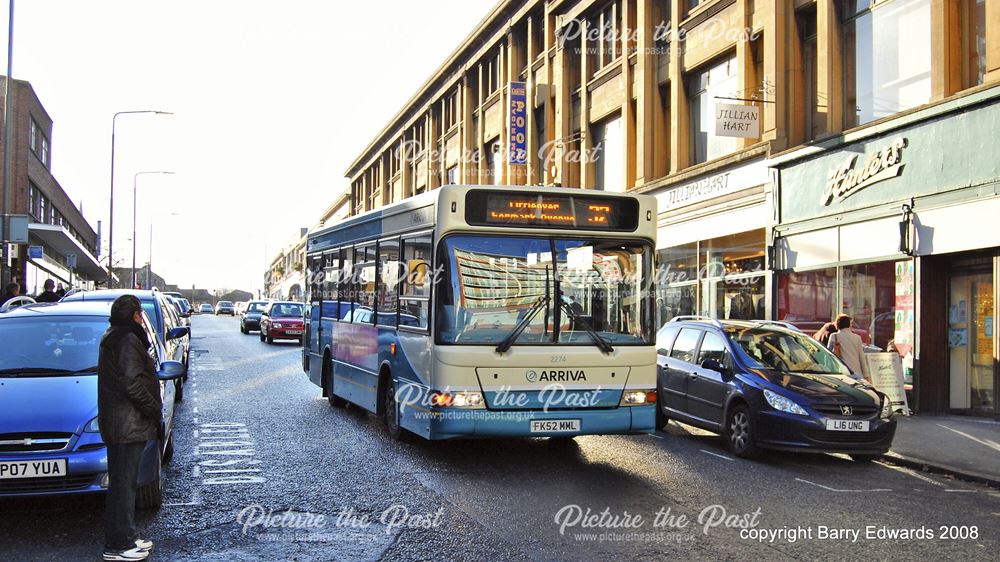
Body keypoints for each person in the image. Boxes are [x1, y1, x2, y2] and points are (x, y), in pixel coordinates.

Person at [97, 295, 161, 561]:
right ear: (135, 315)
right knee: (123, 487)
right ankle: (118, 546)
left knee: (125, 485)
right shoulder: (127, 340)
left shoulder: (115, 335)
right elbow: (132, 383)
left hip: (122, 422)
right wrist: (153, 409)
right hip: (127, 424)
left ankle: (127, 536)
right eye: (139, 314)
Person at [828, 314, 870, 382]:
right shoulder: (857, 338)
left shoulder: (834, 336)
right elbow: (862, 357)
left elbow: (828, 355)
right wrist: (866, 375)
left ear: (837, 324)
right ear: (849, 324)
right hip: (856, 372)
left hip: (841, 372)